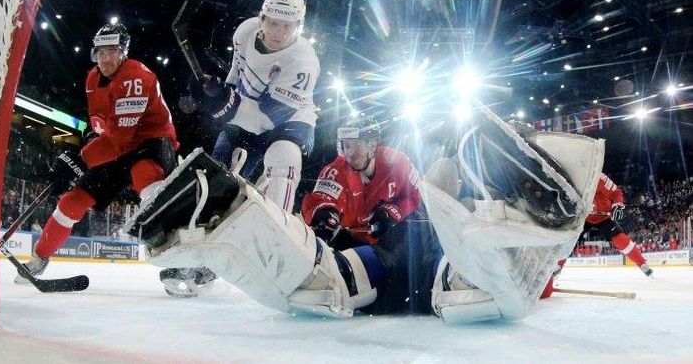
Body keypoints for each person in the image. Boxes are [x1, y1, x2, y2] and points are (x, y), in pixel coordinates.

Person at [127, 104, 604, 323]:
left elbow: (418, 200)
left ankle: (533, 211)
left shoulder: (397, 161)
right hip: (393, 257)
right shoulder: (338, 167)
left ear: (372, 141)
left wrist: (395, 211)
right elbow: (322, 200)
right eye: (346, 141)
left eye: (356, 141)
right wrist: (324, 217)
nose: (349, 148)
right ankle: (223, 215)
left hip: (417, 249)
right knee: (330, 285)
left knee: (473, 290)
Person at [159, 0, 319, 296]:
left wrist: (225, 104)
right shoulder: (245, 32)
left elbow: (265, 119)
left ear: (299, 27)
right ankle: (199, 260)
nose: (279, 32)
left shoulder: (303, 61)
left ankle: (277, 247)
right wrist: (213, 93)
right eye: (273, 22)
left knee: (282, 158)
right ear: (262, 18)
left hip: (289, 120)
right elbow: (238, 75)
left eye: (288, 26)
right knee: (216, 178)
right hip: (246, 114)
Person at [16, 23, 179, 283]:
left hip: (150, 141)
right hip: (117, 145)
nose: (105, 58)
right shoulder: (92, 78)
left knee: (146, 178)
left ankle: (181, 256)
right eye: (101, 51)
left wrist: (79, 160)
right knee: (72, 201)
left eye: (112, 51)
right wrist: (85, 147)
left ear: (123, 52)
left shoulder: (135, 77)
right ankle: (39, 258)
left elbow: (118, 140)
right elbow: (101, 126)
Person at [301, 117, 423, 250]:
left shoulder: (398, 163)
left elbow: (415, 196)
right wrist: (326, 214)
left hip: (393, 240)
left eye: (356, 145)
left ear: (372, 146)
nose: (350, 153)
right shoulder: (336, 170)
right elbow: (322, 199)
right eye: (346, 145)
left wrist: (392, 212)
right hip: (351, 240)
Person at [541, 172, 652, 298]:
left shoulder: (597, 176)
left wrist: (617, 205)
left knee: (619, 238)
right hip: (582, 218)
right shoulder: (568, 175)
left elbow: (616, 192)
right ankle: (556, 268)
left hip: (602, 217)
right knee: (568, 240)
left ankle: (642, 263)